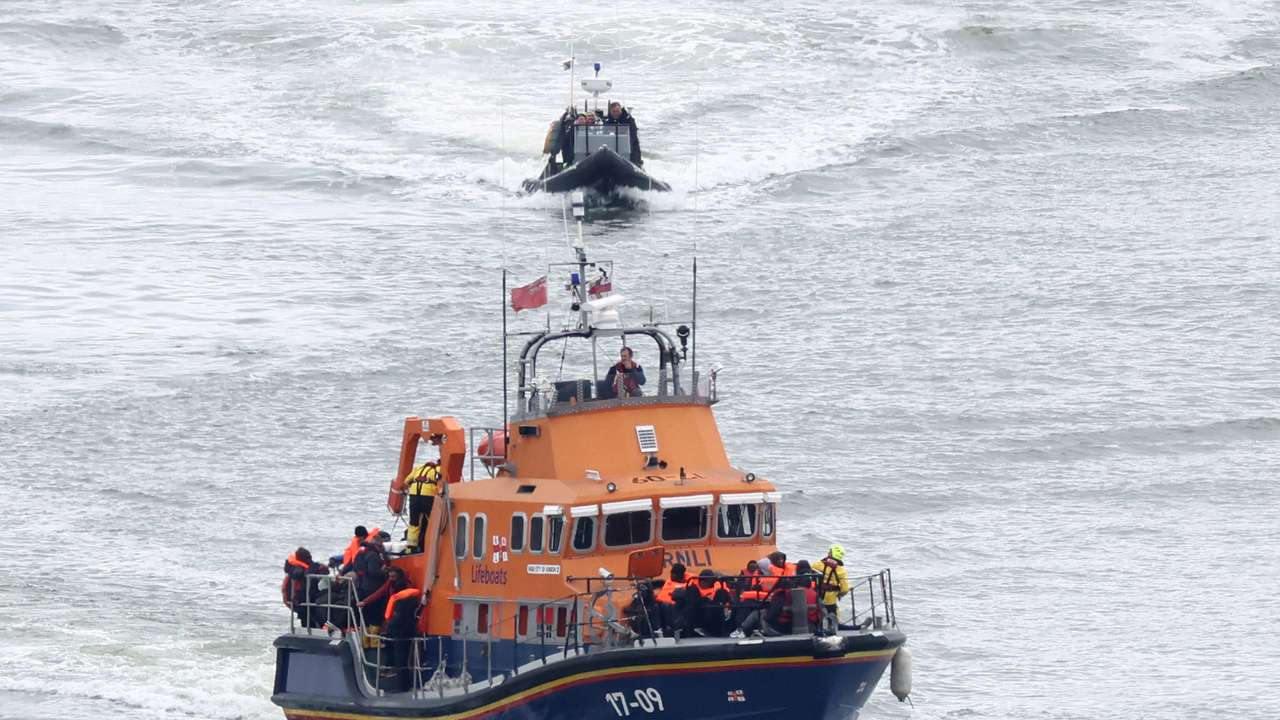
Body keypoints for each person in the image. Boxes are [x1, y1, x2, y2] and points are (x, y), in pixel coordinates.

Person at [381, 569, 420, 691]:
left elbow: (398, 618)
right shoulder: (412, 598)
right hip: (408, 631)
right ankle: (404, 685)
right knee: (404, 661)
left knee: (400, 661)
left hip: (400, 633)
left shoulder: (400, 601)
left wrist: (388, 629)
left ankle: (401, 687)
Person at [343, 530, 390, 627]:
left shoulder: (361, 552)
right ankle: (373, 638)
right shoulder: (373, 555)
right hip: (373, 588)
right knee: (374, 616)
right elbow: (374, 572)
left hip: (363, 586)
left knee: (366, 616)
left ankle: (366, 635)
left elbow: (356, 567)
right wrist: (384, 571)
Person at [282, 547, 326, 626]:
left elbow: (324, 570)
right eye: (308, 558)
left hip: (305, 599)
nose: (310, 559)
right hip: (301, 600)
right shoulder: (297, 570)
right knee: (307, 618)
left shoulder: (294, 568)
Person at [683, 570, 733, 637]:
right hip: (699, 611)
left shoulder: (719, 587)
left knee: (718, 609)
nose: (704, 583)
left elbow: (727, 599)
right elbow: (693, 601)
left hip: (716, 610)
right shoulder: (693, 587)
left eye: (707, 581)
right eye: (702, 581)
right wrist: (706, 599)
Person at [404, 463, 440, 552]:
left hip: (414, 497)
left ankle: (411, 547)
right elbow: (442, 483)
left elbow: (406, 481)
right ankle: (433, 544)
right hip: (428, 496)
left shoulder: (417, 468)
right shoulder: (438, 469)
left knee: (414, 522)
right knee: (432, 522)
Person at [599, 101, 643, 166]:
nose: (616, 113)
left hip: (629, 148)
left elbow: (633, 135)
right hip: (612, 148)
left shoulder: (629, 120)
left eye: (618, 111)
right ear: (610, 111)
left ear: (621, 110)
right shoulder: (607, 121)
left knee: (634, 145)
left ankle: (636, 163)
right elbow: (604, 134)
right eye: (614, 111)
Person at [815, 544, 850, 619]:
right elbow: (845, 589)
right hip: (831, 600)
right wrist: (839, 594)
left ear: (832, 553)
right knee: (834, 618)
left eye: (829, 551)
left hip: (818, 597)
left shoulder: (819, 564)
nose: (828, 553)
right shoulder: (841, 571)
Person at [653, 563, 689, 633]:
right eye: (671, 573)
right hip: (661, 603)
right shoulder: (669, 581)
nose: (671, 575)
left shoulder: (687, 583)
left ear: (680, 574)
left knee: (665, 607)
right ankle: (657, 628)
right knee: (655, 606)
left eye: (674, 574)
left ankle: (669, 628)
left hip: (675, 604)